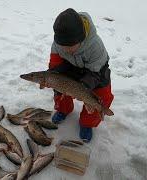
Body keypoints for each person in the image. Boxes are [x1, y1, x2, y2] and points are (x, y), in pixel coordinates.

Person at [43, 8, 114, 142]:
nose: (66, 49)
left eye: (70, 46)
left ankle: (87, 124)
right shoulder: (58, 43)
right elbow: (55, 64)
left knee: (102, 96)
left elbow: (96, 73)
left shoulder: (95, 46)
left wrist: (82, 89)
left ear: (81, 39)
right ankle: (63, 110)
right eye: (63, 46)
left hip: (96, 71)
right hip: (70, 66)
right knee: (60, 87)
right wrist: (51, 77)